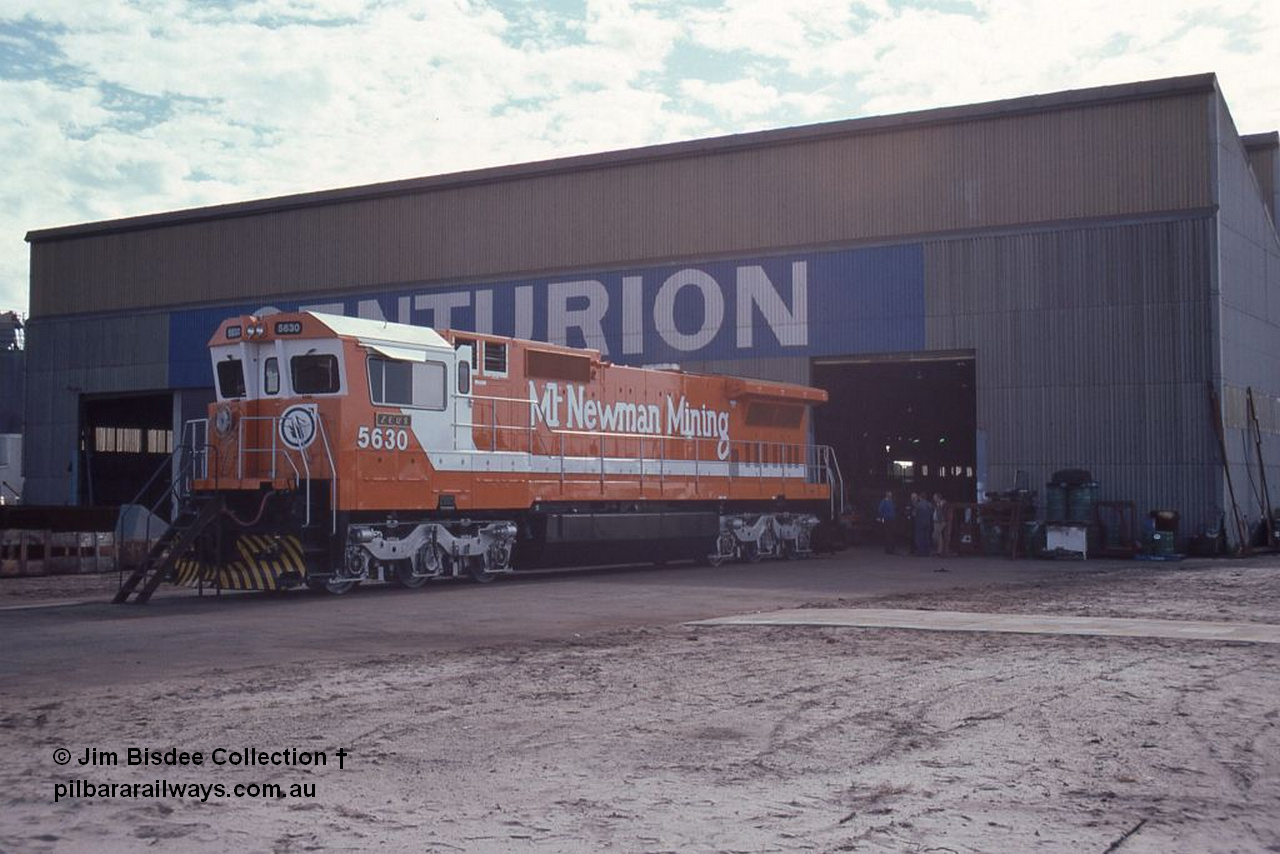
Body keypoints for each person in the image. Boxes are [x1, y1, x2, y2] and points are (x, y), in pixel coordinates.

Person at [932, 492, 951, 556]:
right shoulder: (936, 504)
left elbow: (944, 512)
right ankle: (939, 551)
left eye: (935, 497)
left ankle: (940, 550)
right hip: (936, 521)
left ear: (938, 498)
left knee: (937, 535)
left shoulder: (942, 504)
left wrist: (944, 521)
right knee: (938, 536)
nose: (933, 499)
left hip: (940, 521)